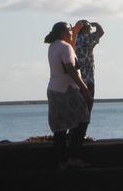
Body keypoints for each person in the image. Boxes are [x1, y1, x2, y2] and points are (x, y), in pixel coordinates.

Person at [45, 22, 93, 168]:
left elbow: (69, 49)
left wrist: (76, 32)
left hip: (54, 89)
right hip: (67, 90)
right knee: (83, 119)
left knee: (60, 128)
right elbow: (71, 69)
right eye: (70, 30)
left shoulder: (54, 46)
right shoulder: (65, 47)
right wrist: (84, 88)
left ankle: (61, 161)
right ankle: (74, 157)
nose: (72, 32)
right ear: (64, 33)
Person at [74, 20, 104, 112]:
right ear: (85, 29)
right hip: (87, 77)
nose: (90, 31)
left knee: (77, 107)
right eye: (89, 29)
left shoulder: (73, 39)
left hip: (75, 77)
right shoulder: (86, 39)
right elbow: (101, 32)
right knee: (87, 107)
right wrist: (96, 24)